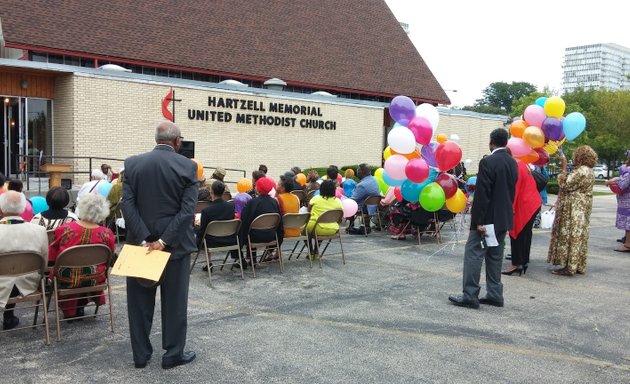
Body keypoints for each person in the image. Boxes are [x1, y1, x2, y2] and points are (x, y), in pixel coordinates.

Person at [120, 121, 198, 370]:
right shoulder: (188, 166)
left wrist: (146, 238)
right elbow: (187, 212)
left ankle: (140, 355)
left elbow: (127, 206)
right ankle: (173, 353)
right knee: (175, 303)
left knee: (138, 303)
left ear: (156, 139)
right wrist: (163, 241)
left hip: (140, 245)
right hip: (175, 247)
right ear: (177, 142)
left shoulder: (133, 164)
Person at [449, 128, 517, 309]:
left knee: (473, 254)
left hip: (487, 220)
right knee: (495, 256)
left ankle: (470, 295)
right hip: (504, 218)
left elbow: (483, 194)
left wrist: (478, 220)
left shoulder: (488, 162)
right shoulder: (513, 163)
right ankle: (495, 294)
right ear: (506, 142)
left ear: (491, 142)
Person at [48, 194, 115, 320]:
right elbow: (110, 258)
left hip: (66, 278)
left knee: (61, 270)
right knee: (90, 269)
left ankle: (71, 308)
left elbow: (51, 257)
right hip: (95, 277)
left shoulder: (65, 229)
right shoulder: (107, 233)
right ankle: (81, 304)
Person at [0, 191, 48, 330]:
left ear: (1, 209)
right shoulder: (39, 230)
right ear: (23, 208)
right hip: (29, 283)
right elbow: (43, 265)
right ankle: (8, 316)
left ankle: (9, 316)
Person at [547, 146, 597, 276]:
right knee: (580, 234)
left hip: (574, 207)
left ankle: (569, 267)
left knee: (571, 234)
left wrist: (563, 169)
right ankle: (578, 264)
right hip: (583, 206)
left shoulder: (581, 171)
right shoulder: (590, 171)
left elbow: (566, 184)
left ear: (580, 157)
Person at [503, 160, 542, 276]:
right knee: (525, 234)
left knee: (517, 233)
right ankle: (524, 260)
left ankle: (516, 264)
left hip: (525, 204)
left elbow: (515, 189)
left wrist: (511, 208)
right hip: (532, 202)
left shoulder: (517, 167)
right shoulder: (523, 164)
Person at [195, 180, 240, 270]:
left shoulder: (206, 211)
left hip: (212, 242)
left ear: (211, 192)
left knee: (199, 230)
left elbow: (203, 231)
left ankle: (209, 262)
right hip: (229, 239)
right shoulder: (231, 207)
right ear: (223, 192)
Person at [239, 176, 284, 263]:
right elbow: (279, 223)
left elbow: (244, 220)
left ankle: (250, 259)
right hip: (271, 235)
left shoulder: (252, 202)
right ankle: (255, 258)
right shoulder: (274, 202)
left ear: (258, 189)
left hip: (255, 237)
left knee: (247, 228)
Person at [306, 180, 343, 257]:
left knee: (303, 230)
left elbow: (308, 211)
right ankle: (316, 251)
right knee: (322, 224)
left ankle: (311, 251)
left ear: (321, 189)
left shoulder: (316, 198)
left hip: (316, 228)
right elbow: (340, 218)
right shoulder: (338, 201)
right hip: (333, 229)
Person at [606, 151, 630, 251]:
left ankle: (628, 244)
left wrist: (610, 182)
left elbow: (622, 183)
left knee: (628, 222)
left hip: (627, 200)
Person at [348, 163, 380, 233]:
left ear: (361, 172)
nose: (357, 173)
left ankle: (351, 226)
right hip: (374, 206)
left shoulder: (362, 185)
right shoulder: (374, 180)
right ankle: (366, 226)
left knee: (349, 204)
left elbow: (353, 199)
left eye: (358, 171)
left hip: (364, 208)